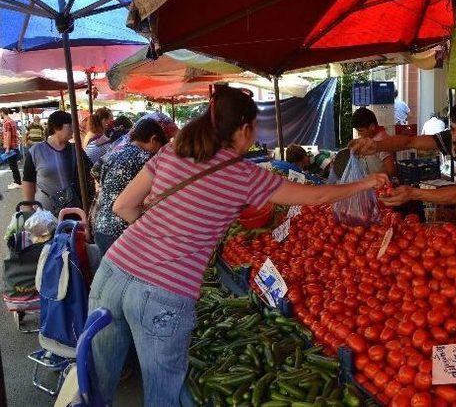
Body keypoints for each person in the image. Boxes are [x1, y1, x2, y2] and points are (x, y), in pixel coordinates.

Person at [87, 85, 388, 406]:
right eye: (255, 128)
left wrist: (163, 235)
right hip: (164, 291)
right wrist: (366, 182)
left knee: (96, 381)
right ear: (244, 130)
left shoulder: (172, 151)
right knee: (162, 393)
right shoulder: (242, 174)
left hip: (113, 269)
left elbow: (123, 206)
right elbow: (315, 197)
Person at [351, 99, 456, 233]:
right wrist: (377, 146)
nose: (455, 137)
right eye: (454, 129)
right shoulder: (455, 141)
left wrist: (412, 193)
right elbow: (410, 141)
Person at [92, 119, 169, 255]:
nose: (158, 153)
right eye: (159, 147)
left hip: (100, 225)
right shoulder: (146, 158)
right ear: (153, 139)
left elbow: (95, 171)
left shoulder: (115, 152)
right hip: (121, 230)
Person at [22, 111, 94, 216]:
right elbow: (28, 180)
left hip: (74, 208)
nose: (73, 129)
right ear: (56, 127)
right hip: (46, 211)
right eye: (70, 126)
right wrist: (28, 206)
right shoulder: (36, 151)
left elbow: (91, 170)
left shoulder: (76, 150)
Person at [352, 107, 396, 177]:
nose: (359, 134)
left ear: (372, 127)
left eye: (361, 131)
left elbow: (391, 171)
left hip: (382, 185)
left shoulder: (382, 141)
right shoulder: (368, 139)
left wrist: (374, 178)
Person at [0, 108, 22, 190]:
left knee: (13, 166)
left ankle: (17, 182)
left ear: (2, 112)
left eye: (0, 113)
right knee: (14, 166)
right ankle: (17, 181)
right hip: (14, 146)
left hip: (11, 147)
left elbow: (8, 135)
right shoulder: (12, 121)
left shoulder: (7, 122)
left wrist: (8, 148)